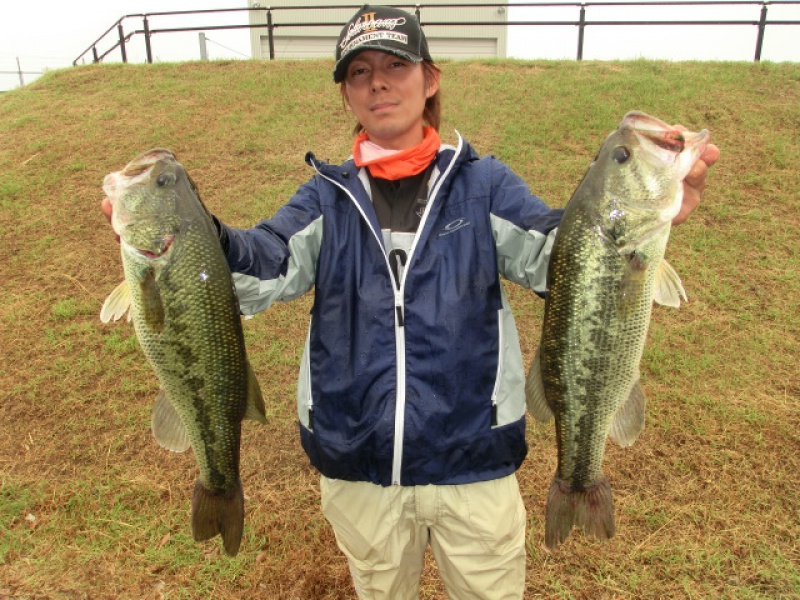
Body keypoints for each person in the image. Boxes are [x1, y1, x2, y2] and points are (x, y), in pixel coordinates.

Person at [102, 4, 719, 598]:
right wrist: (187, 240)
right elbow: (260, 266)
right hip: (359, 467)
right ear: (345, 94)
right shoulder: (324, 199)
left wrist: (641, 220)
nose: (379, 84)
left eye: (396, 66)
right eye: (360, 72)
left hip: (475, 464)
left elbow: (559, 262)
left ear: (430, 80)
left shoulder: (484, 186)